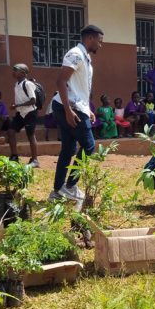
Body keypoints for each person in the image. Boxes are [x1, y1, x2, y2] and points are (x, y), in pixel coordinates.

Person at [50, 24, 104, 202]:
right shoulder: (75, 54)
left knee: (68, 148)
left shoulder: (85, 57)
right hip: (68, 107)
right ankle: (70, 186)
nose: (100, 45)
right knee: (88, 146)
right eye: (99, 41)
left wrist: (87, 109)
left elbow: (79, 88)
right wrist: (68, 110)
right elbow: (60, 81)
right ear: (90, 38)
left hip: (76, 107)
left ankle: (57, 191)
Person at [6, 63, 39, 167]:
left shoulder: (27, 84)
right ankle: (14, 156)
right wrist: (16, 106)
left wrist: (17, 105)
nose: (13, 72)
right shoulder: (17, 84)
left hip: (30, 113)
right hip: (20, 113)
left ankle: (35, 160)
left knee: (30, 136)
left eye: (15, 70)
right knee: (10, 131)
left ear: (23, 73)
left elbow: (33, 101)